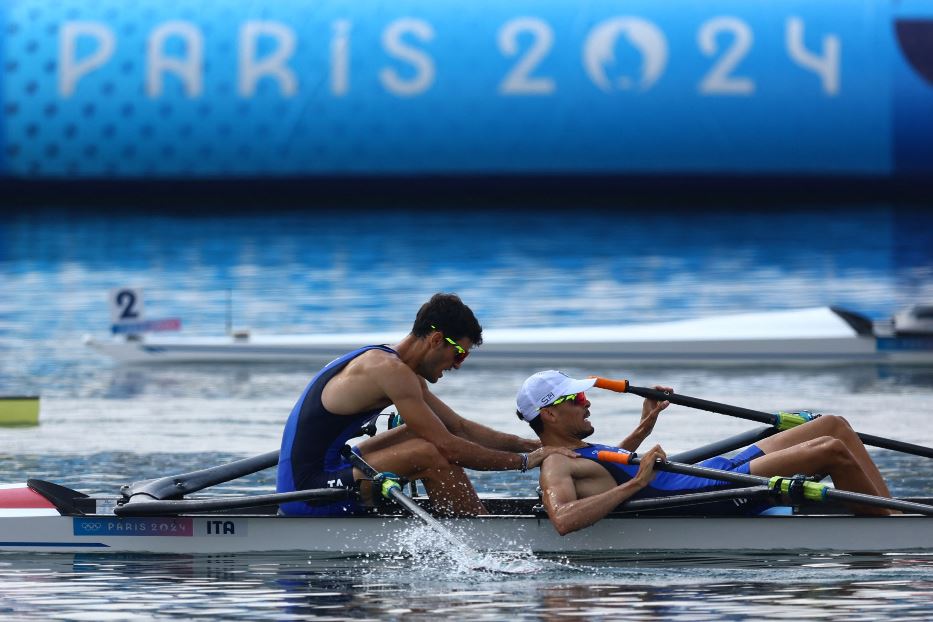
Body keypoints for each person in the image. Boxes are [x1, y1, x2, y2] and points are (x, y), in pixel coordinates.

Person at [277, 293, 576, 517]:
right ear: (435, 340)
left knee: (421, 432)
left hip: (329, 469)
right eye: (459, 354)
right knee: (430, 452)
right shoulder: (390, 372)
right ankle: (484, 533)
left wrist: (533, 445)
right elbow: (449, 447)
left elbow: (458, 427)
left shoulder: (396, 366)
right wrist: (526, 463)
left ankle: (468, 515)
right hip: (307, 492)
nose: (457, 365)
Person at [516, 370, 896, 535]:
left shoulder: (577, 452)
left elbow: (610, 464)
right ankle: (895, 529)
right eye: (578, 398)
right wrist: (633, 487)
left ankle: (886, 509)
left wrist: (646, 422)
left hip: (704, 472)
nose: (588, 404)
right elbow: (562, 520)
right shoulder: (554, 464)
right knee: (830, 450)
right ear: (549, 413)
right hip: (699, 493)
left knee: (833, 424)